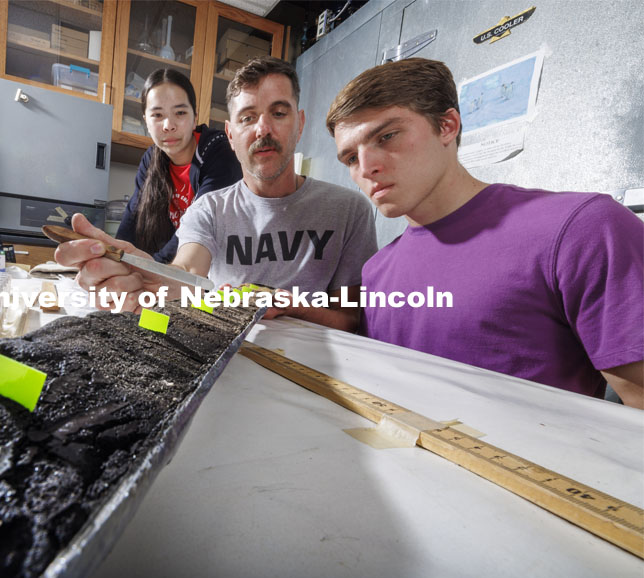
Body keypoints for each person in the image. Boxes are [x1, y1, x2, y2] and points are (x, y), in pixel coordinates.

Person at [325, 58, 643, 407]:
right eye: (351, 159)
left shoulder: (583, 230)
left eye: (386, 136)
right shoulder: (376, 273)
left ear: (447, 126)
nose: (368, 167)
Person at [56, 56, 377, 331]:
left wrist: (291, 306)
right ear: (231, 134)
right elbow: (189, 270)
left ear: (300, 123)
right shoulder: (208, 209)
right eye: (248, 117)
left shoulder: (349, 210)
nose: (263, 129)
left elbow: (351, 320)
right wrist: (152, 276)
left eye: (279, 113)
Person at [116, 69, 242, 264]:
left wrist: (150, 268)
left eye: (180, 112)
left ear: (195, 117)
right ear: (146, 121)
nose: (168, 125)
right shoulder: (151, 159)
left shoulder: (219, 152)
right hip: (174, 271)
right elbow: (132, 218)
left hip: (217, 272)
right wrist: (116, 258)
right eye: (157, 115)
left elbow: (198, 225)